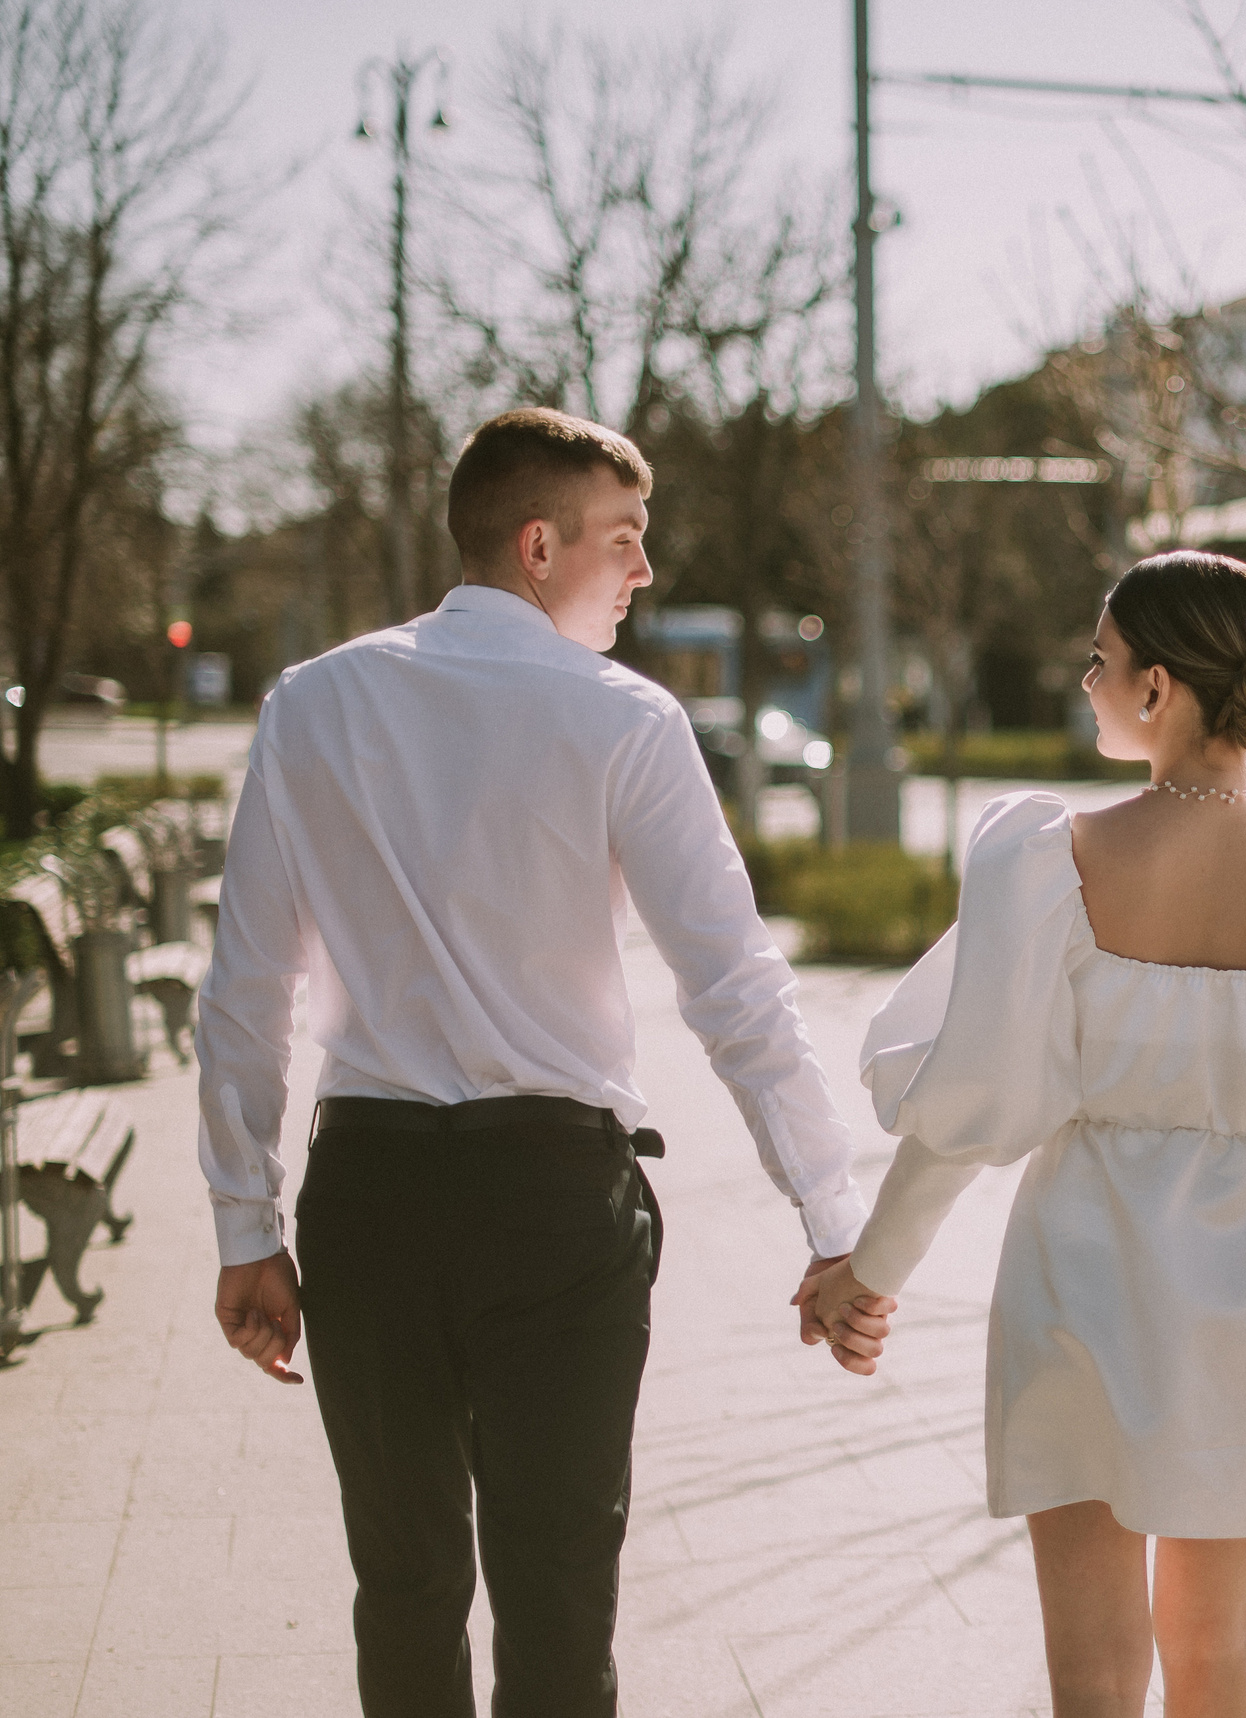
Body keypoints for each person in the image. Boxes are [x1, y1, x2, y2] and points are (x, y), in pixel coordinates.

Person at [199, 406, 895, 1718]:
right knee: (560, 1584)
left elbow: (249, 985)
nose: (643, 572)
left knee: (400, 1581)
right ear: (538, 543)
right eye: (624, 540)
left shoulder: (315, 702)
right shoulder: (623, 720)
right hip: (554, 1204)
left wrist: (246, 1223)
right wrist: (831, 1219)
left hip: (370, 1197)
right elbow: (734, 982)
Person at [801, 550, 1246, 1718]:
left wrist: (868, 1274)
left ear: (1159, 687)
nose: (1086, 680)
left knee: (1092, 1668)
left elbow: (970, 1115)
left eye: (1100, 660)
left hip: (1083, 1277)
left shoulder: (1050, 858)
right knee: (1215, 1651)